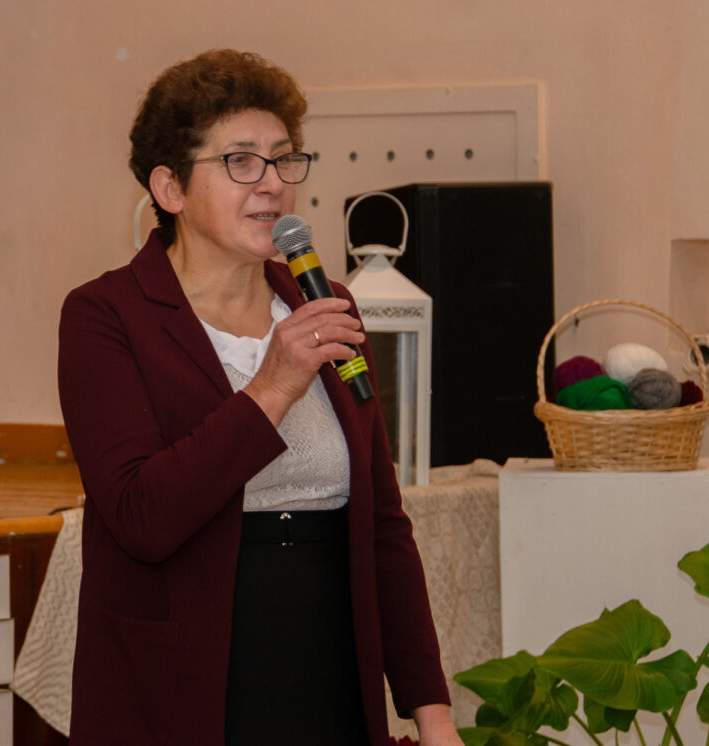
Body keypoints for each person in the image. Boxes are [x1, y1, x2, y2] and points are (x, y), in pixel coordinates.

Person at [57, 48, 462, 746]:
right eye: (241, 161)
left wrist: (435, 716)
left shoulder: (326, 305)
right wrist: (272, 386)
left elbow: (384, 525)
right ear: (170, 187)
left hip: (329, 668)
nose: (272, 184)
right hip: (182, 684)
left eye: (284, 159)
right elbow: (141, 516)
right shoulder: (107, 315)